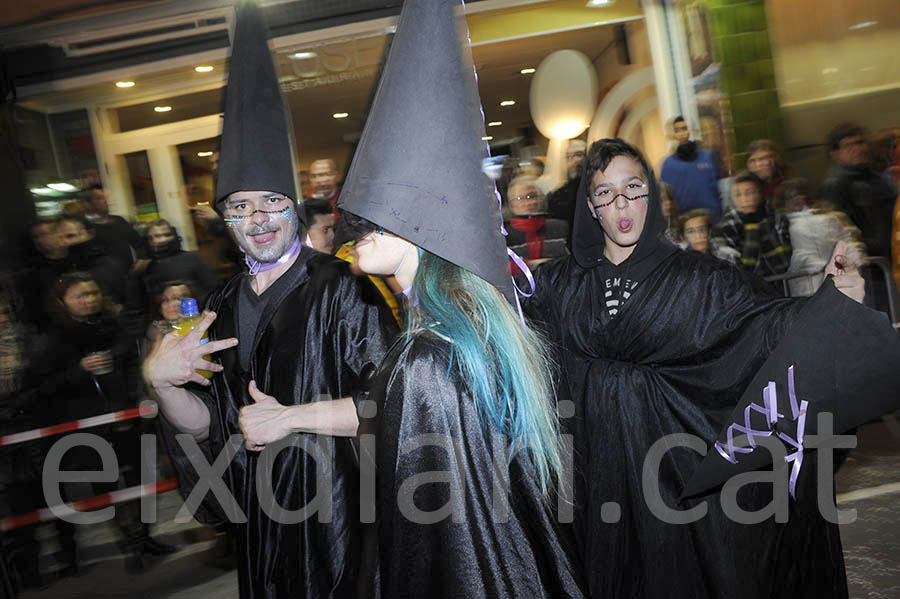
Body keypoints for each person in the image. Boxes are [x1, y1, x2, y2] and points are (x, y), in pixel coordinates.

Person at [240, 1, 585, 595]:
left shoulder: (428, 356)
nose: (360, 221)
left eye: (384, 206)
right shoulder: (450, 336)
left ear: (427, 221)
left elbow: (444, 542)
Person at [524, 137, 877, 599]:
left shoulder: (700, 278)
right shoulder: (559, 284)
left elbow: (759, 327)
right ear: (591, 206)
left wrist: (828, 306)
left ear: (651, 192)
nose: (622, 203)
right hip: (597, 474)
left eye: (633, 187)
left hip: (673, 469)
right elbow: (512, 335)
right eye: (606, 193)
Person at [143, 4, 397, 597]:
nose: (257, 218)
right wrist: (164, 385)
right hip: (264, 524)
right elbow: (211, 426)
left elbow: (393, 407)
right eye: (239, 206)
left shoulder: (345, 287)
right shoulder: (219, 303)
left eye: (271, 202)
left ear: (295, 207)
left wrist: (290, 417)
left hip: (343, 518)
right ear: (224, 221)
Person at [37, 272, 175, 573]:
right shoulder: (55, 338)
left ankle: (146, 537)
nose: (89, 300)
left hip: (126, 417)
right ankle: (131, 542)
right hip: (89, 426)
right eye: (80, 296)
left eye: (92, 293)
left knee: (140, 482)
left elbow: (132, 366)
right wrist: (79, 370)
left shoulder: (115, 327)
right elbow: (46, 386)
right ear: (63, 301)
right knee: (108, 487)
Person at [776, 178, 866, 297]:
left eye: (800, 194)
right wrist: (814, 264)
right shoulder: (783, 224)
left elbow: (846, 238)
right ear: (784, 201)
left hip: (839, 278)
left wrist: (853, 252)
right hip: (807, 285)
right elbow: (792, 254)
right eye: (790, 197)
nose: (797, 198)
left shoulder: (828, 215)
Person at [821, 122, 896, 259]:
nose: (858, 149)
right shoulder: (835, 185)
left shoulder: (874, 176)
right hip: (872, 260)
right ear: (835, 153)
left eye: (860, 143)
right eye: (848, 145)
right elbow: (838, 229)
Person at [712, 170, 792, 279]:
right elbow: (739, 271)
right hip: (748, 289)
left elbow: (784, 262)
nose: (744, 200)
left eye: (750, 193)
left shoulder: (777, 218)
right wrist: (752, 228)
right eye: (737, 195)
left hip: (782, 284)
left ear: (760, 193)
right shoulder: (724, 228)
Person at [660, 116, 722, 219]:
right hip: (684, 220)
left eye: (684, 128)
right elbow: (666, 196)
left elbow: (719, 188)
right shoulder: (668, 165)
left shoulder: (708, 157)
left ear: (691, 130)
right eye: (677, 130)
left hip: (713, 216)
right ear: (672, 134)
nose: (682, 134)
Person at [504, 175, 568, 268]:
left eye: (531, 196)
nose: (528, 202)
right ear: (511, 205)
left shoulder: (561, 228)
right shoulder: (505, 236)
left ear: (540, 199)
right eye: (519, 198)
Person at [82, 185, 143, 268]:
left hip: (134, 272)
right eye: (99, 198)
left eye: (106, 197)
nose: (106, 201)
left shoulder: (119, 220)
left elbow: (137, 243)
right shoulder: (86, 227)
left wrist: (140, 262)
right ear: (88, 204)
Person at [546, 139, 587, 235]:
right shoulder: (557, 197)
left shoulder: (600, 188)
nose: (575, 160)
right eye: (569, 156)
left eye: (579, 154)